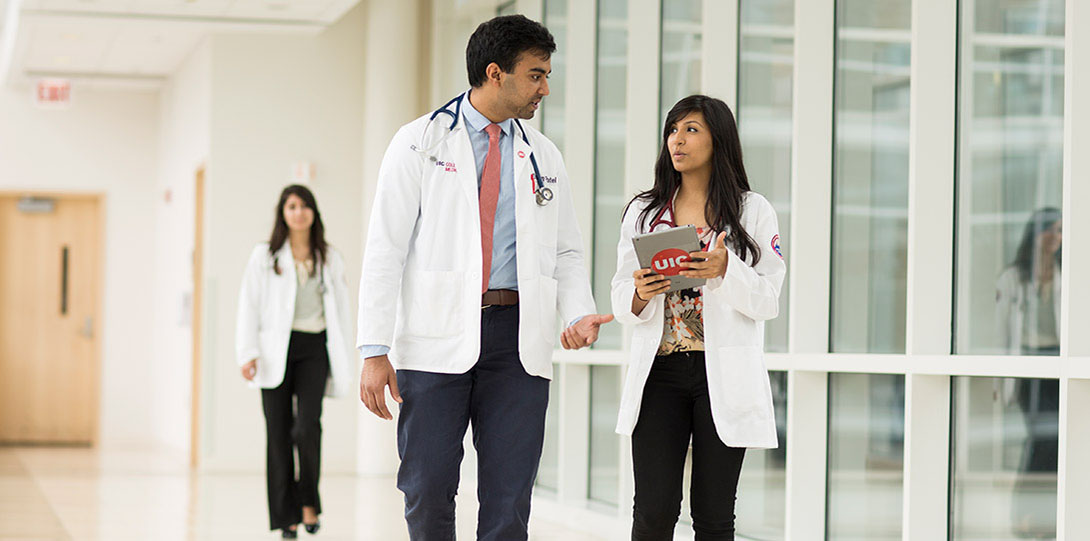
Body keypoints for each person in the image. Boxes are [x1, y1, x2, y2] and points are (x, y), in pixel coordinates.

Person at [355, 15, 612, 541]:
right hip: (435, 336)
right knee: (427, 488)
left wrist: (578, 312)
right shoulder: (419, 142)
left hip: (517, 340)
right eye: (536, 75)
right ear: (496, 73)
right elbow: (385, 248)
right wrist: (374, 350)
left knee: (509, 499)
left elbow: (566, 250)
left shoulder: (544, 155)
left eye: (546, 75)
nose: (545, 88)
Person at [610, 95, 785, 540]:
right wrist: (639, 294)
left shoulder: (752, 211)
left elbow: (768, 300)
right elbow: (620, 294)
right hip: (660, 373)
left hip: (721, 373)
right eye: (673, 130)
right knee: (653, 512)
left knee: (714, 515)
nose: (677, 140)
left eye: (691, 130)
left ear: (718, 140)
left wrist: (727, 270)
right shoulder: (644, 212)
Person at [236, 185, 354, 538]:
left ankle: (308, 503)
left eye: (304, 206)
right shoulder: (264, 256)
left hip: (314, 347)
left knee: (306, 427)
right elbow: (248, 304)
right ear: (283, 213)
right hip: (275, 349)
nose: (299, 212)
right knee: (277, 433)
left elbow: (342, 310)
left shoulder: (329, 257)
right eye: (292, 206)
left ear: (314, 213)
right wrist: (247, 352)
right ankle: (285, 516)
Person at [995, 207, 1061, 538]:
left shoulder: (1066, 273)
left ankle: (1049, 516)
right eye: (1049, 230)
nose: (1054, 238)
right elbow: (1002, 331)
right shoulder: (1013, 277)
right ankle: (1023, 514)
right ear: (1034, 234)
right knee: (1041, 438)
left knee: (1059, 439)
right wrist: (999, 380)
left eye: (1059, 231)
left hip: (1059, 362)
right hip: (1028, 365)